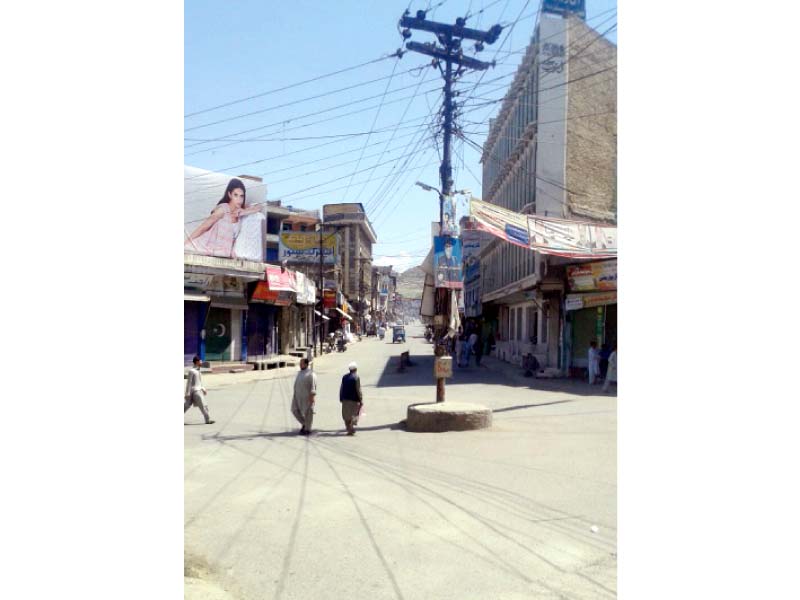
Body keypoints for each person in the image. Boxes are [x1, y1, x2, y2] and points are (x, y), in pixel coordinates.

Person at [184, 178, 264, 259]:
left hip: (224, 253)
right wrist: (186, 242)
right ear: (229, 194)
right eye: (235, 195)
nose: (239, 200)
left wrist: (244, 212)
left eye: (241, 196)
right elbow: (203, 227)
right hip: (207, 246)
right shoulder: (223, 209)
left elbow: (259, 207)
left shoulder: (241, 209)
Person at [184, 356, 215, 424]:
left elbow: (199, 382)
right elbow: (189, 383)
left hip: (198, 390)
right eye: (200, 361)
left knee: (186, 405)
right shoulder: (192, 371)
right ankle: (208, 420)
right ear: (197, 362)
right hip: (195, 392)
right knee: (202, 405)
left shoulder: (198, 371)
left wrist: (203, 388)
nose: (201, 362)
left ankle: (207, 420)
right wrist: (187, 393)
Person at [291, 358, 317, 435]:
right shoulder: (299, 373)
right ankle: (304, 423)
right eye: (300, 363)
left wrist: (312, 396)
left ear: (306, 364)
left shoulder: (311, 374)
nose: (300, 365)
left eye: (301, 363)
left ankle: (307, 429)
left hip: (307, 397)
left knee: (308, 413)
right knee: (294, 410)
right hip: (297, 396)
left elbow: (313, 386)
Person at [339, 362, 363, 436]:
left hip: (345, 399)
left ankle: (349, 429)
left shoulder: (344, 377)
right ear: (355, 369)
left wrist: (341, 397)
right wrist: (361, 399)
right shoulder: (356, 377)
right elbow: (358, 389)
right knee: (355, 414)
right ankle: (351, 427)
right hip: (354, 399)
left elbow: (341, 388)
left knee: (346, 415)